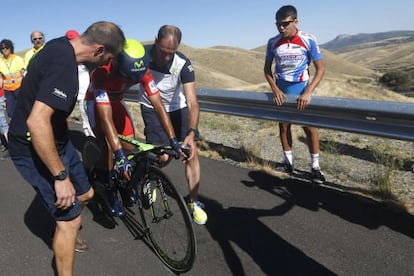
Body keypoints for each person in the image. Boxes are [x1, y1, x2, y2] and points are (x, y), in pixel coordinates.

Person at [8, 21, 125, 276]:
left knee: (85, 195)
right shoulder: (65, 68)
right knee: (71, 222)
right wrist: (60, 177)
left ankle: (63, 224)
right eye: (107, 58)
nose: (106, 65)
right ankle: (65, 227)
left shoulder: (61, 46)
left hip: (57, 138)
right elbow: (37, 121)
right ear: (98, 50)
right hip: (31, 144)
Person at [86, 38, 182, 217]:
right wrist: (118, 154)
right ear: (115, 64)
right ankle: (107, 188)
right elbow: (106, 119)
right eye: (126, 77)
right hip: (96, 105)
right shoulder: (101, 73)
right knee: (108, 145)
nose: (129, 81)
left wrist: (173, 139)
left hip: (116, 102)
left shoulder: (143, 70)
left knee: (131, 145)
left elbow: (158, 105)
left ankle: (125, 183)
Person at [138, 25, 207, 225]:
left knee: (191, 154)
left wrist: (191, 133)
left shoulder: (183, 63)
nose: (167, 57)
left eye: (172, 53)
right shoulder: (143, 56)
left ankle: (194, 202)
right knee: (164, 156)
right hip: (151, 107)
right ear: (156, 41)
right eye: (163, 52)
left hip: (177, 108)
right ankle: (149, 177)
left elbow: (193, 102)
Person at [264, 5, 326, 184]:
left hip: (301, 91)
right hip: (281, 92)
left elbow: (320, 68)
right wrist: (275, 89)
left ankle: (315, 168)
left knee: (309, 128)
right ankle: (287, 163)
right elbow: (267, 70)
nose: (281, 28)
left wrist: (308, 91)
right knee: (283, 127)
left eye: (285, 24)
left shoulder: (308, 39)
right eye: (278, 24)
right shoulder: (273, 42)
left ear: (295, 21)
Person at [0, 39, 25, 118]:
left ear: (10, 48)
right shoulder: (0, 61)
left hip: (19, 88)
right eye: (2, 48)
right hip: (8, 90)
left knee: (23, 107)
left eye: (7, 47)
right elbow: (0, 78)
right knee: (10, 111)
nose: (5, 50)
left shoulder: (17, 59)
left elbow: (23, 73)